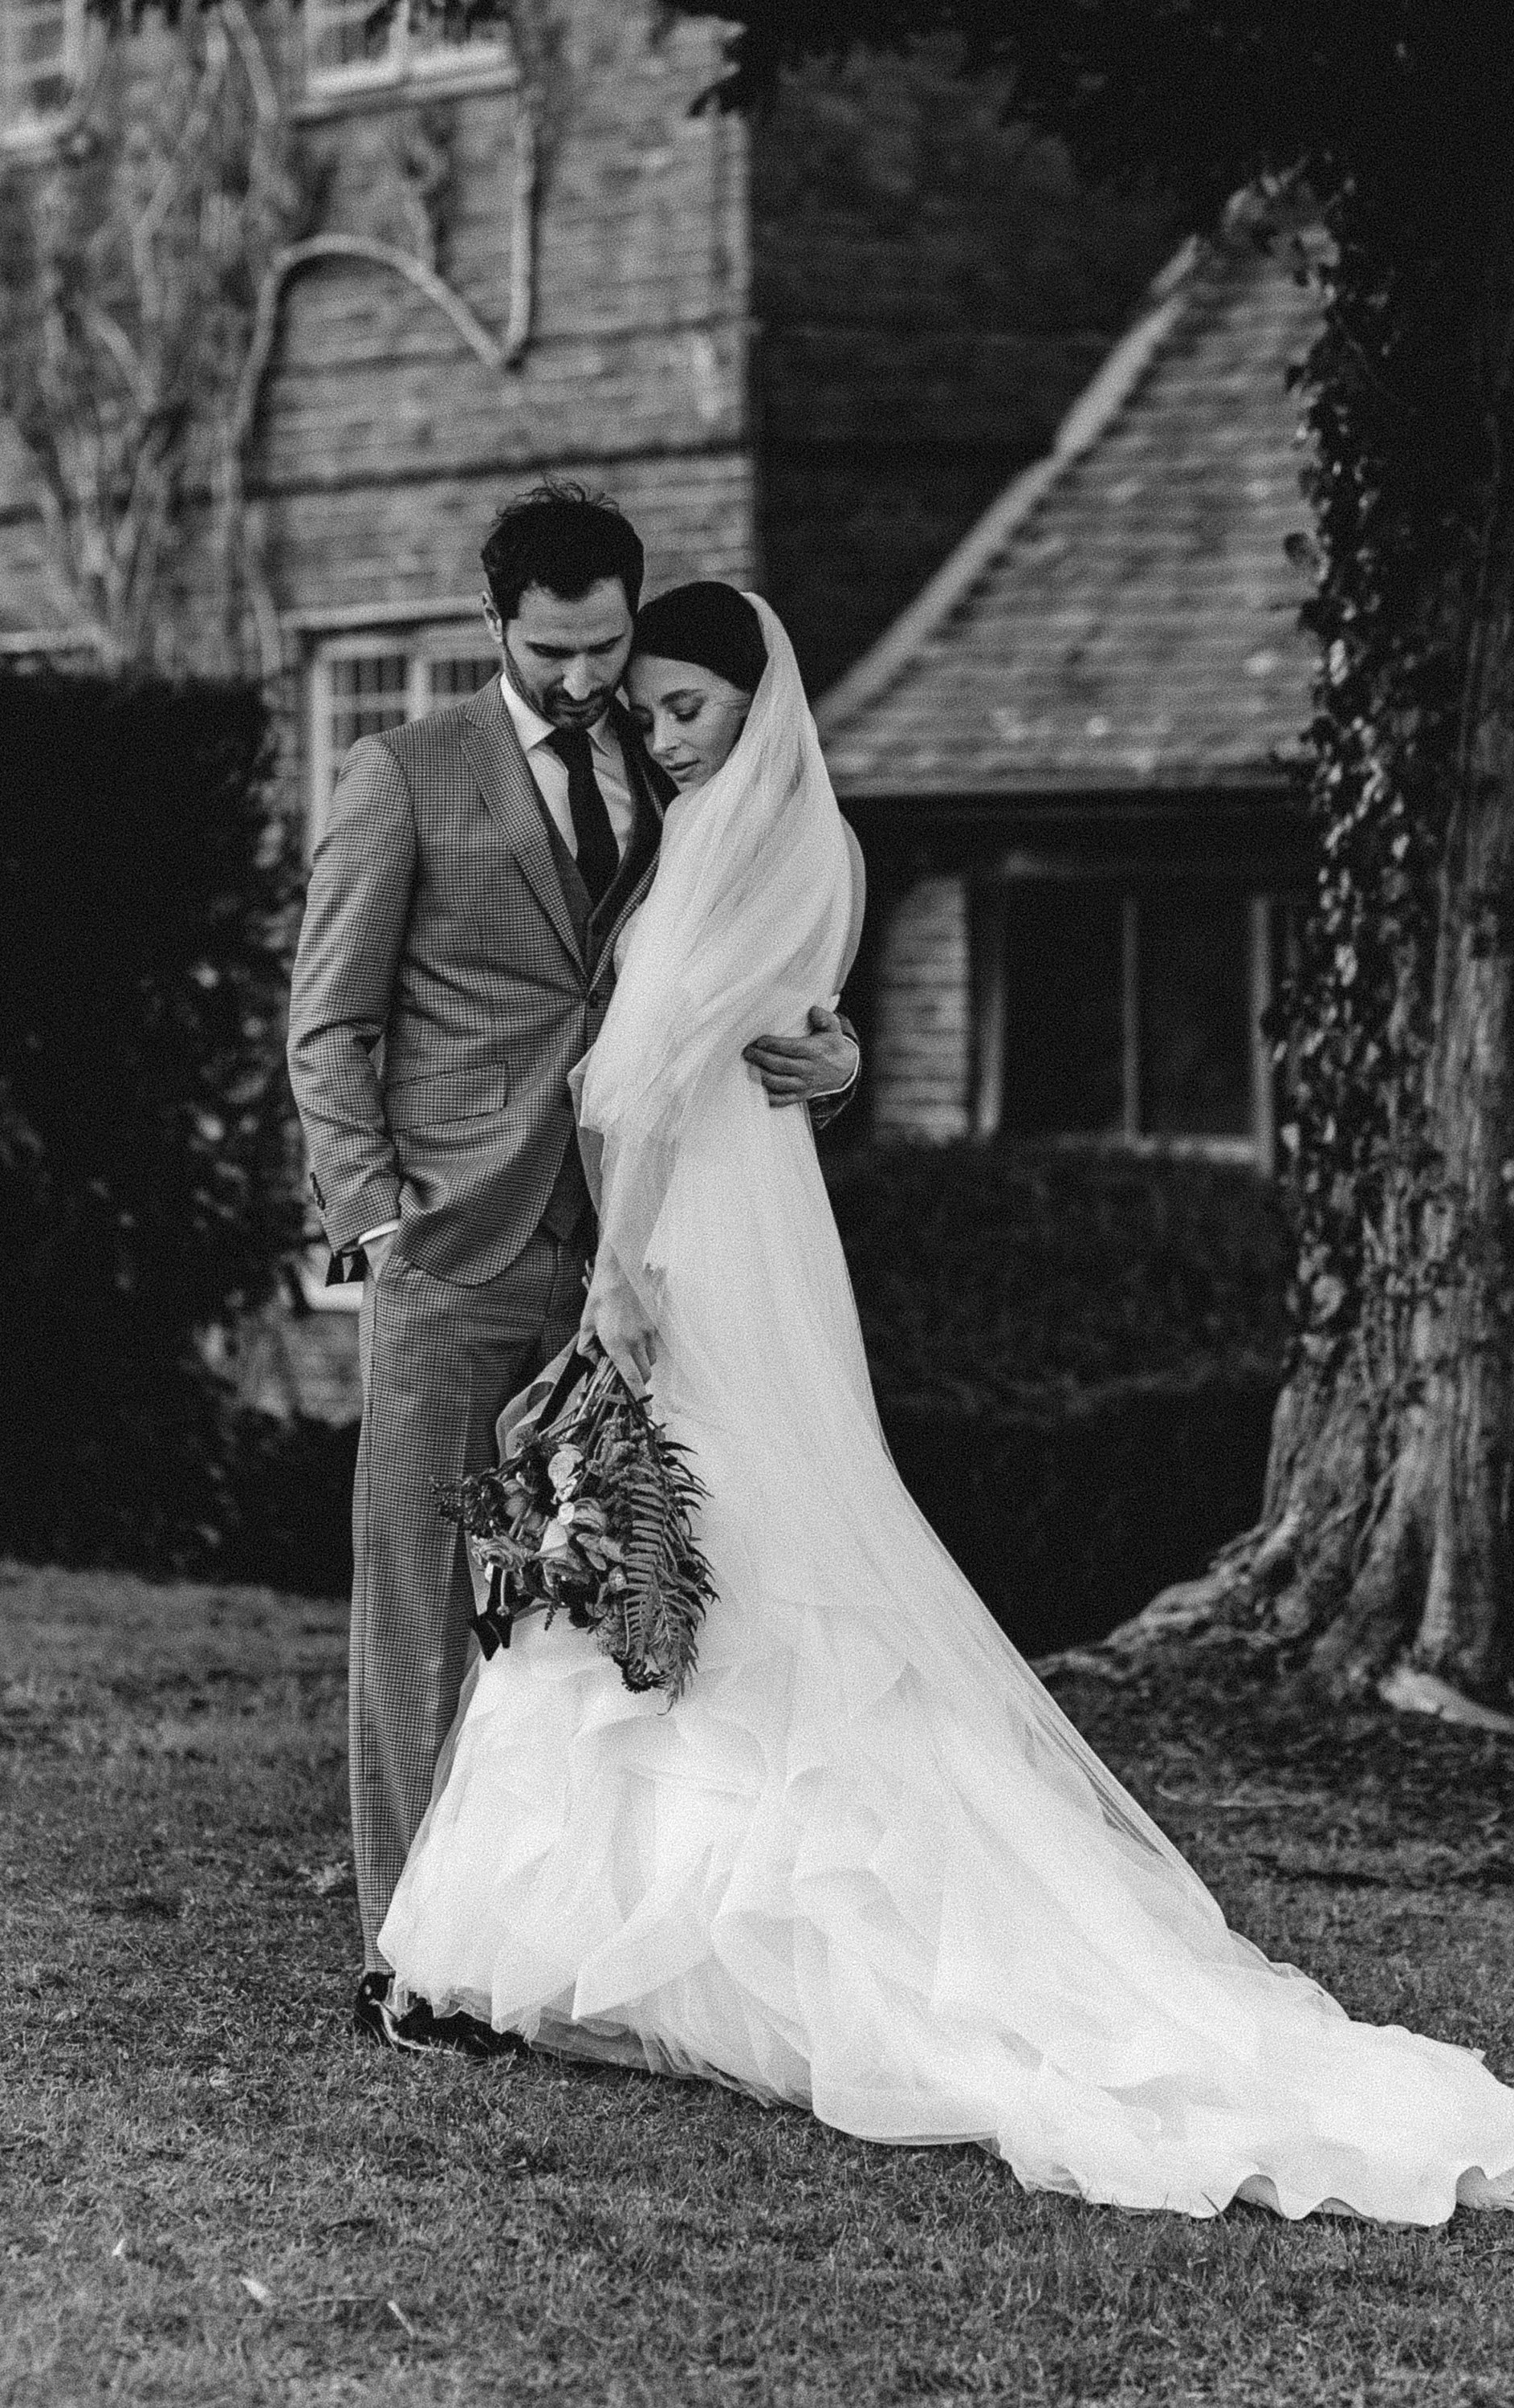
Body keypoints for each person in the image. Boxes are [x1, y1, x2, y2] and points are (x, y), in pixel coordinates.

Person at [378, 581, 1514, 2224]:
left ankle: (713, 1955)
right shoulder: (684, 821)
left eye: (685, 709)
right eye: (644, 709)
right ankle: (621, 1951)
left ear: (755, 703)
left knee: (709, 1539)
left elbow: (663, 1070)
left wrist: (630, 1272)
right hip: (677, 1213)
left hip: (694, 1235)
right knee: (669, 1550)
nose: (659, 733)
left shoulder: (766, 838)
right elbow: (708, 1036)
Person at [286, 494, 861, 2047]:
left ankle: (555, 1935)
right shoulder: (401, 774)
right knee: (419, 1589)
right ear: (497, 627)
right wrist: (376, 1212)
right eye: (554, 651)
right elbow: (327, 1021)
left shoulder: (671, 764)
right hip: (455, 1250)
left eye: (608, 643)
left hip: (636, 1250)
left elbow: (738, 948)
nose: (587, 677)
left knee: (594, 1601)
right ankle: (409, 1948)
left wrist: (834, 1045)